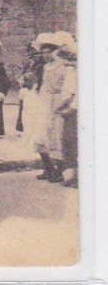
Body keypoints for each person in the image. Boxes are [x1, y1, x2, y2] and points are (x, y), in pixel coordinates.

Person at [35, 31, 73, 183]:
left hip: (58, 101)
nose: (45, 55)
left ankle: (60, 171)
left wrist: (61, 103)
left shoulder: (63, 66)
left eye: (48, 52)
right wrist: (41, 102)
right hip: (46, 101)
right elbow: (44, 86)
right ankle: (49, 168)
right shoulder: (46, 68)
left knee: (57, 135)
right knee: (41, 135)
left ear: (55, 51)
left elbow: (66, 87)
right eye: (43, 53)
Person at [56, 42, 78, 188]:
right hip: (72, 109)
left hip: (76, 110)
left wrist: (68, 107)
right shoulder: (71, 72)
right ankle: (72, 174)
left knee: (72, 141)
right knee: (68, 141)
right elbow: (68, 93)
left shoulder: (74, 72)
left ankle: (77, 175)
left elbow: (72, 94)